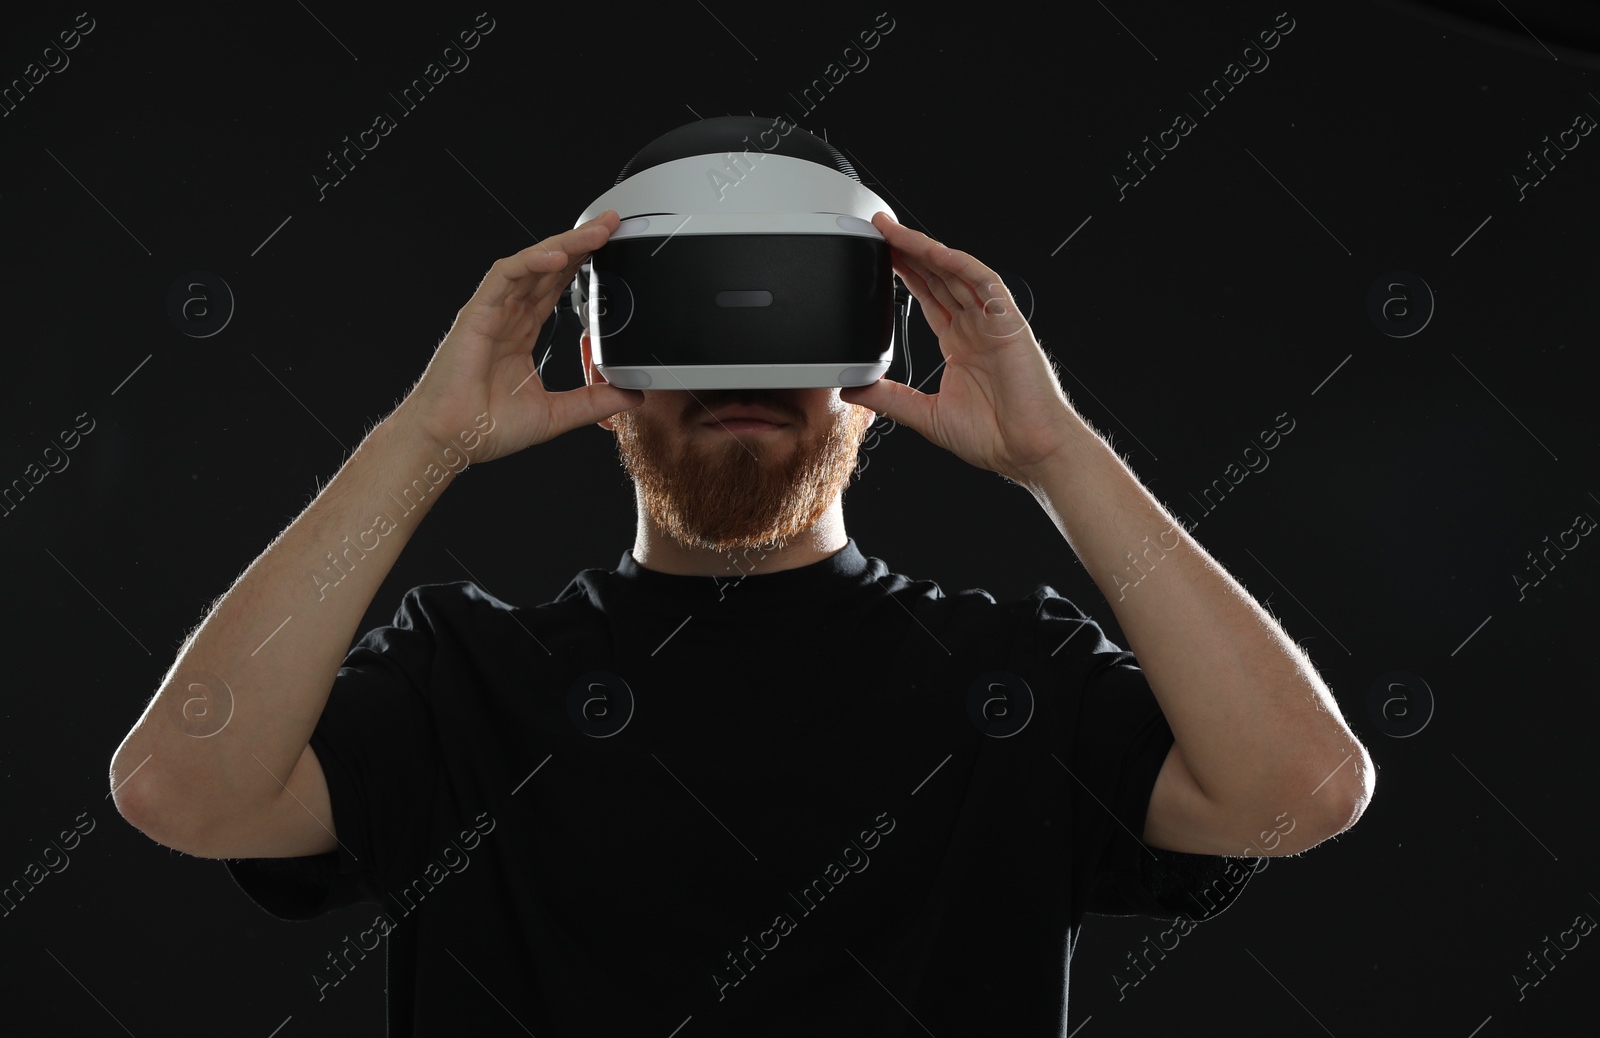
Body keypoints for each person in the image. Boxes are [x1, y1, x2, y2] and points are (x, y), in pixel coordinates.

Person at [109, 205, 1374, 1036]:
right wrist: (422, 443)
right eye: (696, 320)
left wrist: (1055, 456)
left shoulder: (1013, 683)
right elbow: (182, 788)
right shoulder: (465, 681)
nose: (744, 375)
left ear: (878, 369)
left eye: (792, 317)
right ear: (604, 365)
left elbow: (1303, 787)